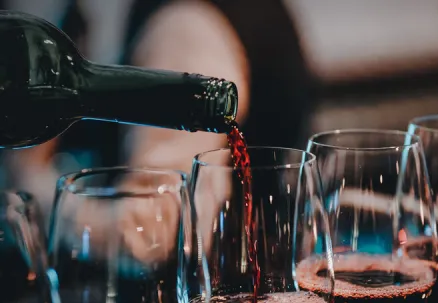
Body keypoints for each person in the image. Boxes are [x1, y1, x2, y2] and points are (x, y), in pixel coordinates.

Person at [0, 0, 311, 222]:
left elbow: (151, 233)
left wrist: (28, 179)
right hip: (251, 274)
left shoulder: (184, 28)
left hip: (226, 282)